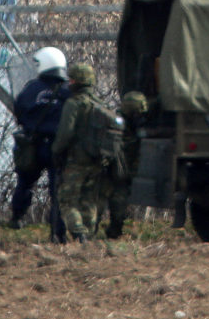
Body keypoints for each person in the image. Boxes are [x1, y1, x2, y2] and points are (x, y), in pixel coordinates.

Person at [9, 46, 71, 242]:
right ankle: (57, 233)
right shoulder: (68, 91)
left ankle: (17, 217)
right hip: (58, 147)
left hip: (33, 145)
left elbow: (19, 110)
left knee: (25, 183)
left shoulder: (31, 89)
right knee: (58, 191)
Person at [52, 62, 109, 243]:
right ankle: (89, 236)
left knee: (68, 200)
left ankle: (78, 233)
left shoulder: (73, 103)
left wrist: (56, 151)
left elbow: (65, 133)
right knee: (89, 200)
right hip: (97, 160)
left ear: (75, 81)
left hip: (76, 160)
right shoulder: (100, 104)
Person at [104, 91, 147, 239]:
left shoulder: (134, 125)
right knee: (115, 200)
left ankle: (114, 229)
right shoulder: (115, 124)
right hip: (113, 170)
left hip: (124, 170)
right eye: (137, 113)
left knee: (119, 200)